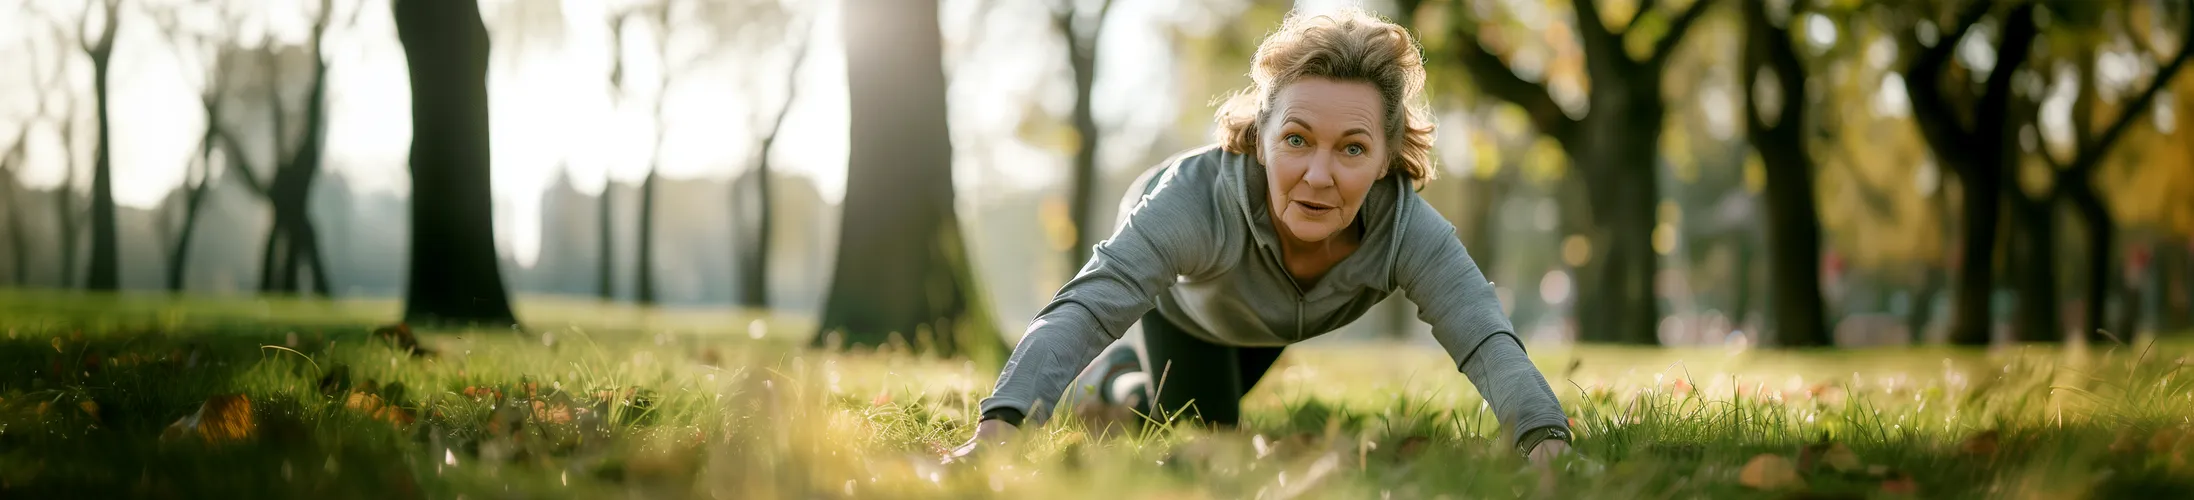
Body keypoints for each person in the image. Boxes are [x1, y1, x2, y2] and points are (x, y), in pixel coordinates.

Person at [953, 7, 1572, 466]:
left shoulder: (1406, 229)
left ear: (1386, 159)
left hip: (1273, 319)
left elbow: (1485, 337)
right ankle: (1114, 379)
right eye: (1297, 140)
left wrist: (1545, 440)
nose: (1319, 175)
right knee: (1203, 440)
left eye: (1353, 149)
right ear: (1260, 136)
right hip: (1193, 311)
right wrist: (998, 430)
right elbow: (1087, 306)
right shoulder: (1193, 203)